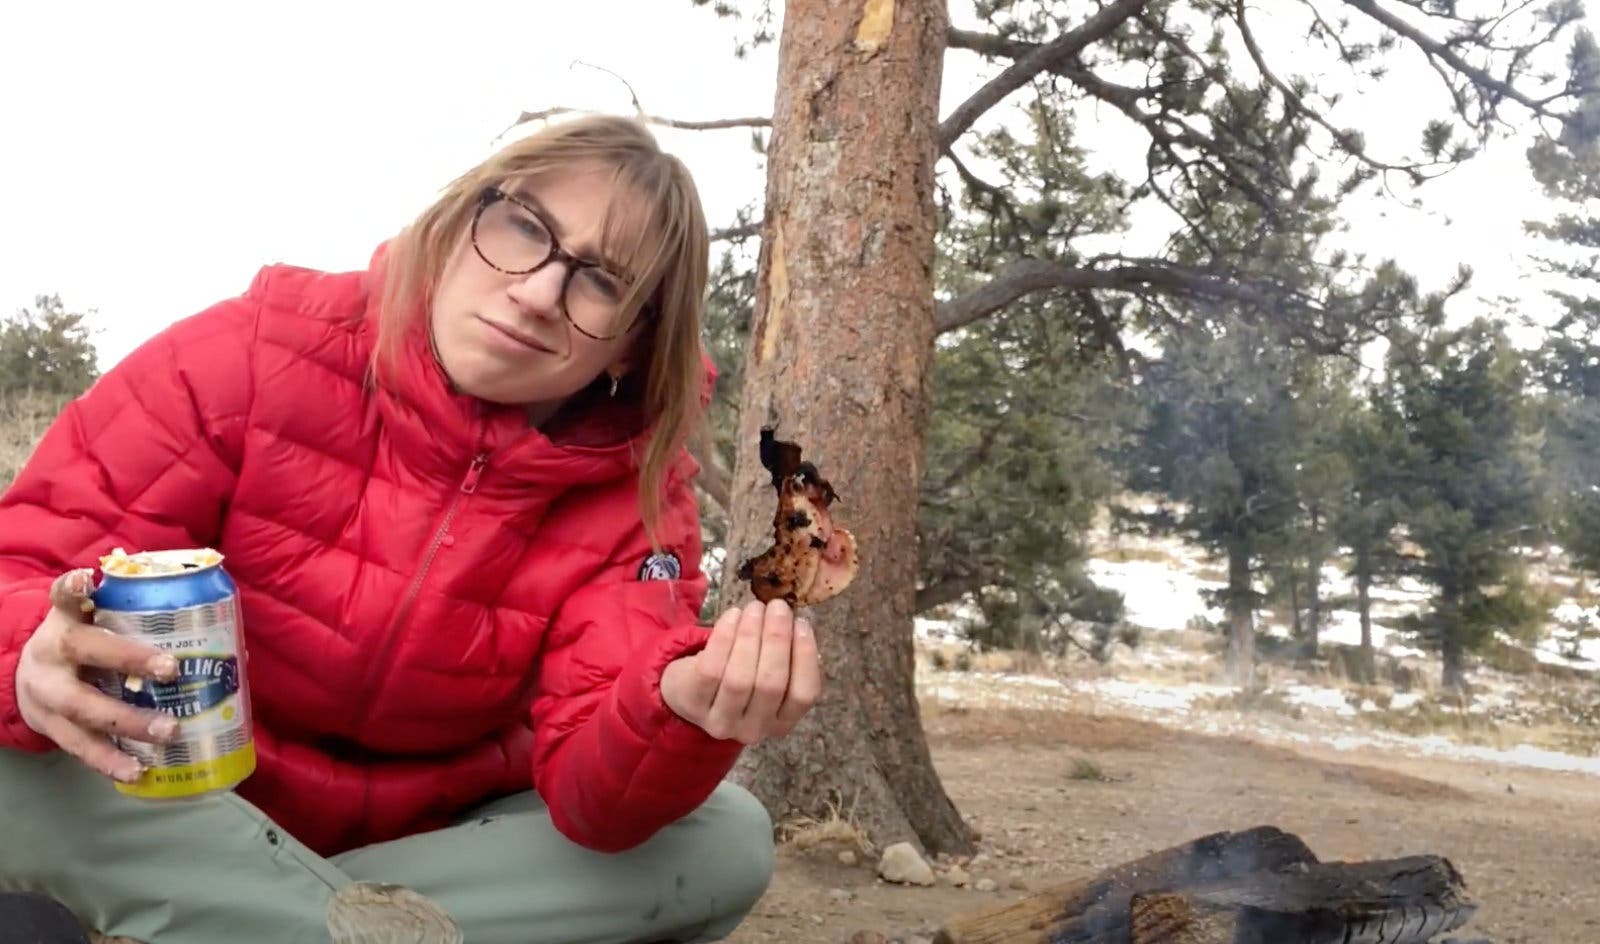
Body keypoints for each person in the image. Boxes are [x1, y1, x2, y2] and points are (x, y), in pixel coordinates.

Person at [0, 114, 820, 944]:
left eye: (603, 282)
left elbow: (592, 793)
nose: (537, 292)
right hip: (179, 802)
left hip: (436, 842)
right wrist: (30, 656)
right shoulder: (251, 348)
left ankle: (241, 922)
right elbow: (22, 564)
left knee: (724, 840)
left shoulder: (638, 501)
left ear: (632, 350)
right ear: (462, 219)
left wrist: (674, 709)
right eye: (526, 228)